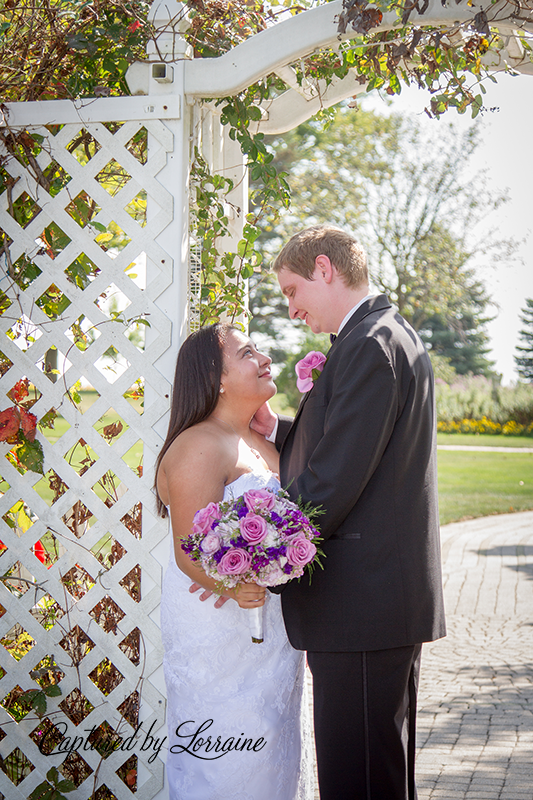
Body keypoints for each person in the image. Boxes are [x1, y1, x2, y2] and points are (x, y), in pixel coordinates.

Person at [250, 225, 447, 800]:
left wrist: (256, 551)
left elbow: (334, 480)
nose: (291, 309)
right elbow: (360, 450)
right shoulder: (383, 334)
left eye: (291, 290)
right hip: (377, 602)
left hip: (362, 603)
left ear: (324, 268)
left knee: (359, 779)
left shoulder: (367, 344)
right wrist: (280, 431)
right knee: (376, 772)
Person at [154, 323, 313, 800]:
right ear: (216, 377)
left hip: (274, 631)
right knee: (227, 757)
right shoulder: (199, 444)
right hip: (220, 625)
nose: (264, 357)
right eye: (247, 353)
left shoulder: (267, 444)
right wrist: (230, 585)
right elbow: (190, 549)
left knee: (273, 750)